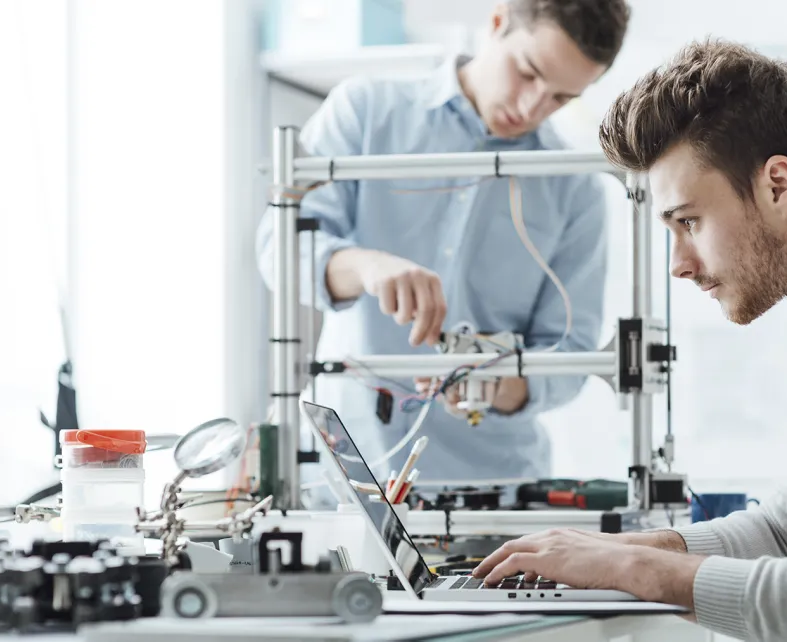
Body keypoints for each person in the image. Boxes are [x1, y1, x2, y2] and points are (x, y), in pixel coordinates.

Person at [471, 39, 787, 641]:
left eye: (688, 221)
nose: (679, 264)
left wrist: (637, 567)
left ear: (777, 185)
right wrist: (633, 548)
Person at [256, 1, 631, 495]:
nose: (531, 107)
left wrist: (497, 387)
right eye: (527, 72)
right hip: (344, 470)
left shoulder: (575, 185)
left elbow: (571, 351)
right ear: (496, 23)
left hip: (492, 490)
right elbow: (279, 252)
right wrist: (366, 266)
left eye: (560, 98)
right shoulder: (365, 112)